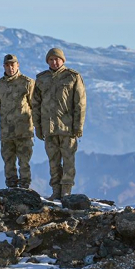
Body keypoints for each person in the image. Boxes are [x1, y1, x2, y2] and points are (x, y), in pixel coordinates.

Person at [33, 48, 86, 200]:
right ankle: (56, 191)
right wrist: (38, 127)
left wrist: (78, 126)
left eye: (57, 59)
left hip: (67, 128)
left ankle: (66, 191)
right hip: (49, 128)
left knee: (69, 161)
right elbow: (36, 105)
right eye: (51, 59)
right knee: (53, 161)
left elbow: (80, 104)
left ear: (63, 60)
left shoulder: (72, 77)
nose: (54, 62)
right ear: (47, 61)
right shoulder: (41, 79)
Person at [0, 54, 35, 189]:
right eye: (7, 65)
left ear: (18, 65)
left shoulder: (27, 83)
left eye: (13, 64)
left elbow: (34, 105)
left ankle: (24, 187)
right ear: (4, 66)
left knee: (24, 162)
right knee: (8, 160)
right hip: (6, 132)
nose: (10, 67)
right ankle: (11, 187)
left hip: (23, 131)